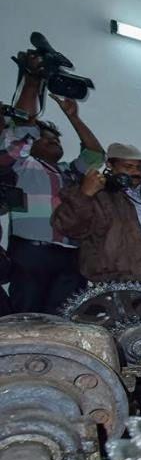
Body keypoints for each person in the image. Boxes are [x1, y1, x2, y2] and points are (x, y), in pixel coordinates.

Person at [1, 54, 104, 313]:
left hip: (70, 255)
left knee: (64, 320)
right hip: (30, 254)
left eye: (57, 140)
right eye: (46, 139)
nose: (54, 142)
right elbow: (17, 135)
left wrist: (74, 117)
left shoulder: (68, 172)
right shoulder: (21, 165)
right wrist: (32, 82)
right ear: (32, 142)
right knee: (27, 317)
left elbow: (95, 155)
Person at [52, 143, 141, 300]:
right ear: (110, 165)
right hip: (124, 281)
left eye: (140, 167)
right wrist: (85, 194)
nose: (136, 172)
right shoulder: (98, 197)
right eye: (128, 166)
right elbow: (68, 226)